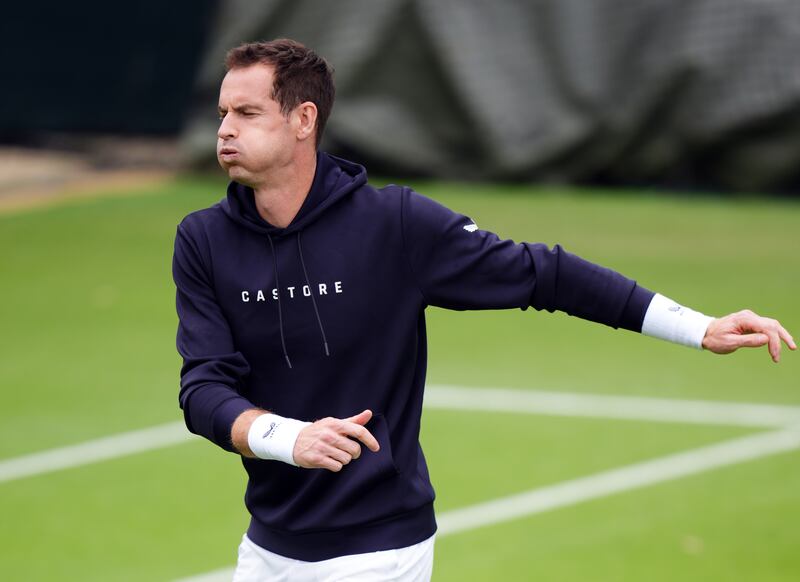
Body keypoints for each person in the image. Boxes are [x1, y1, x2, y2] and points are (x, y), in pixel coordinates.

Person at [172, 39, 796, 581]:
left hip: (378, 549)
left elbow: (546, 275)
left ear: (303, 119)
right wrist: (290, 439)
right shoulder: (203, 240)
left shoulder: (395, 225)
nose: (225, 128)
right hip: (268, 548)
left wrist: (699, 327)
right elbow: (203, 389)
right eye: (223, 111)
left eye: (247, 113)